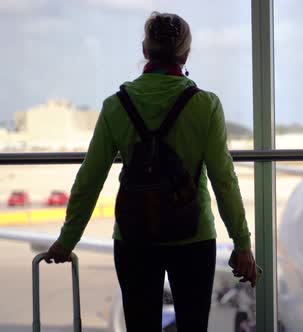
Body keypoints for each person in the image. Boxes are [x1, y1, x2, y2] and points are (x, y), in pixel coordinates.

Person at [43, 11, 257, 331]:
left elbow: (90, 179)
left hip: (134, 236)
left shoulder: (116, 105)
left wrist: (67, 240)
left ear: (145, 49)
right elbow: (223, 180)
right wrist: (241, 244)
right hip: (193, 237)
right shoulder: (205, 105)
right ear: (185, 54)